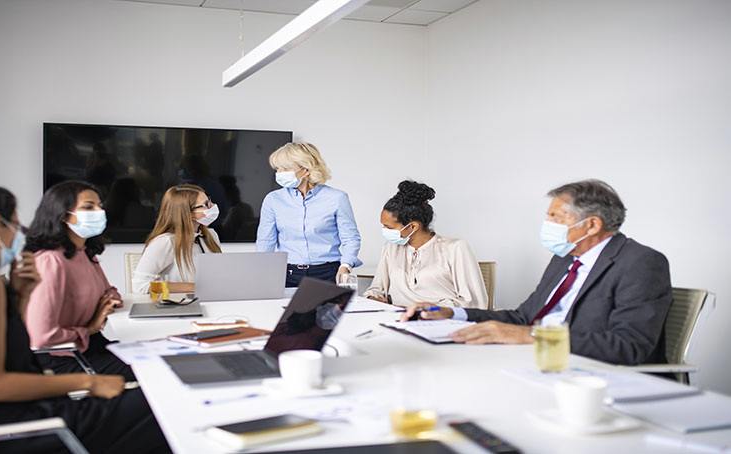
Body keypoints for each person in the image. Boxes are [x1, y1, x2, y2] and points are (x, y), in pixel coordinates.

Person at [0, 181, 169, 454]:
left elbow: (7, 350)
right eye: (16, 227)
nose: (17, 239)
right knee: (168, 404)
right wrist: (90, 381)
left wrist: (20, 296)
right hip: (15, 427)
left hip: (2, 419)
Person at [401, 179, 673, 366]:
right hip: (536, 362)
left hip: (593, 376)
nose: (547, 224)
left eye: (556, 217)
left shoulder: (641, 263)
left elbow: (628, 346)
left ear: (591, 225)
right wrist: (452, 312)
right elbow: (523, 317)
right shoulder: (564, 259)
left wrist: (531, 336)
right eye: (548, 216)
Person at [24, 181, 131, 379]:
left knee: (163, 356)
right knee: (157, 369)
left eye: (100, 205)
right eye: (88, 207)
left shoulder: (85, 252)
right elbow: (41, 336)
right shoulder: (50, 261)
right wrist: (88, 329)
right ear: (63, 215)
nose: (99, 211)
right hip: (65, 359)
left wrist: (107, 304)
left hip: (91, 346)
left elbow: (110, 292)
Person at [364, 180, 488, 309]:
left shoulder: (455, 248)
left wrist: (425, 309)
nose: (384, 230)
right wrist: (373, 297)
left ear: (413, 226)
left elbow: (474, 302)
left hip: (440, 322)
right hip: (399, 320)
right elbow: (377, 289)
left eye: (388, 227)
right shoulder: (391, 248)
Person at [256, 142, 362, 286]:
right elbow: (265, 242)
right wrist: (262, 273)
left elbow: (351, 238)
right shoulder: (273, 200)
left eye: (285, 168)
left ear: (306, 169)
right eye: (277, 168)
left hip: (328, 273)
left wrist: (345, 266)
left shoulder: (337, 198)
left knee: (327, 309)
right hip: (288, 274)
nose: (279, 173)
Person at [131, 184, 222, 294]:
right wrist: (192, 287)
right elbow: (140, 286)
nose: (212, 206)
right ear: (186, 212)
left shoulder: (210, 236)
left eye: (209, 201)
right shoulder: (166, 242)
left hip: (210, 300)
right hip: (179, 305)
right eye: (205, 205)